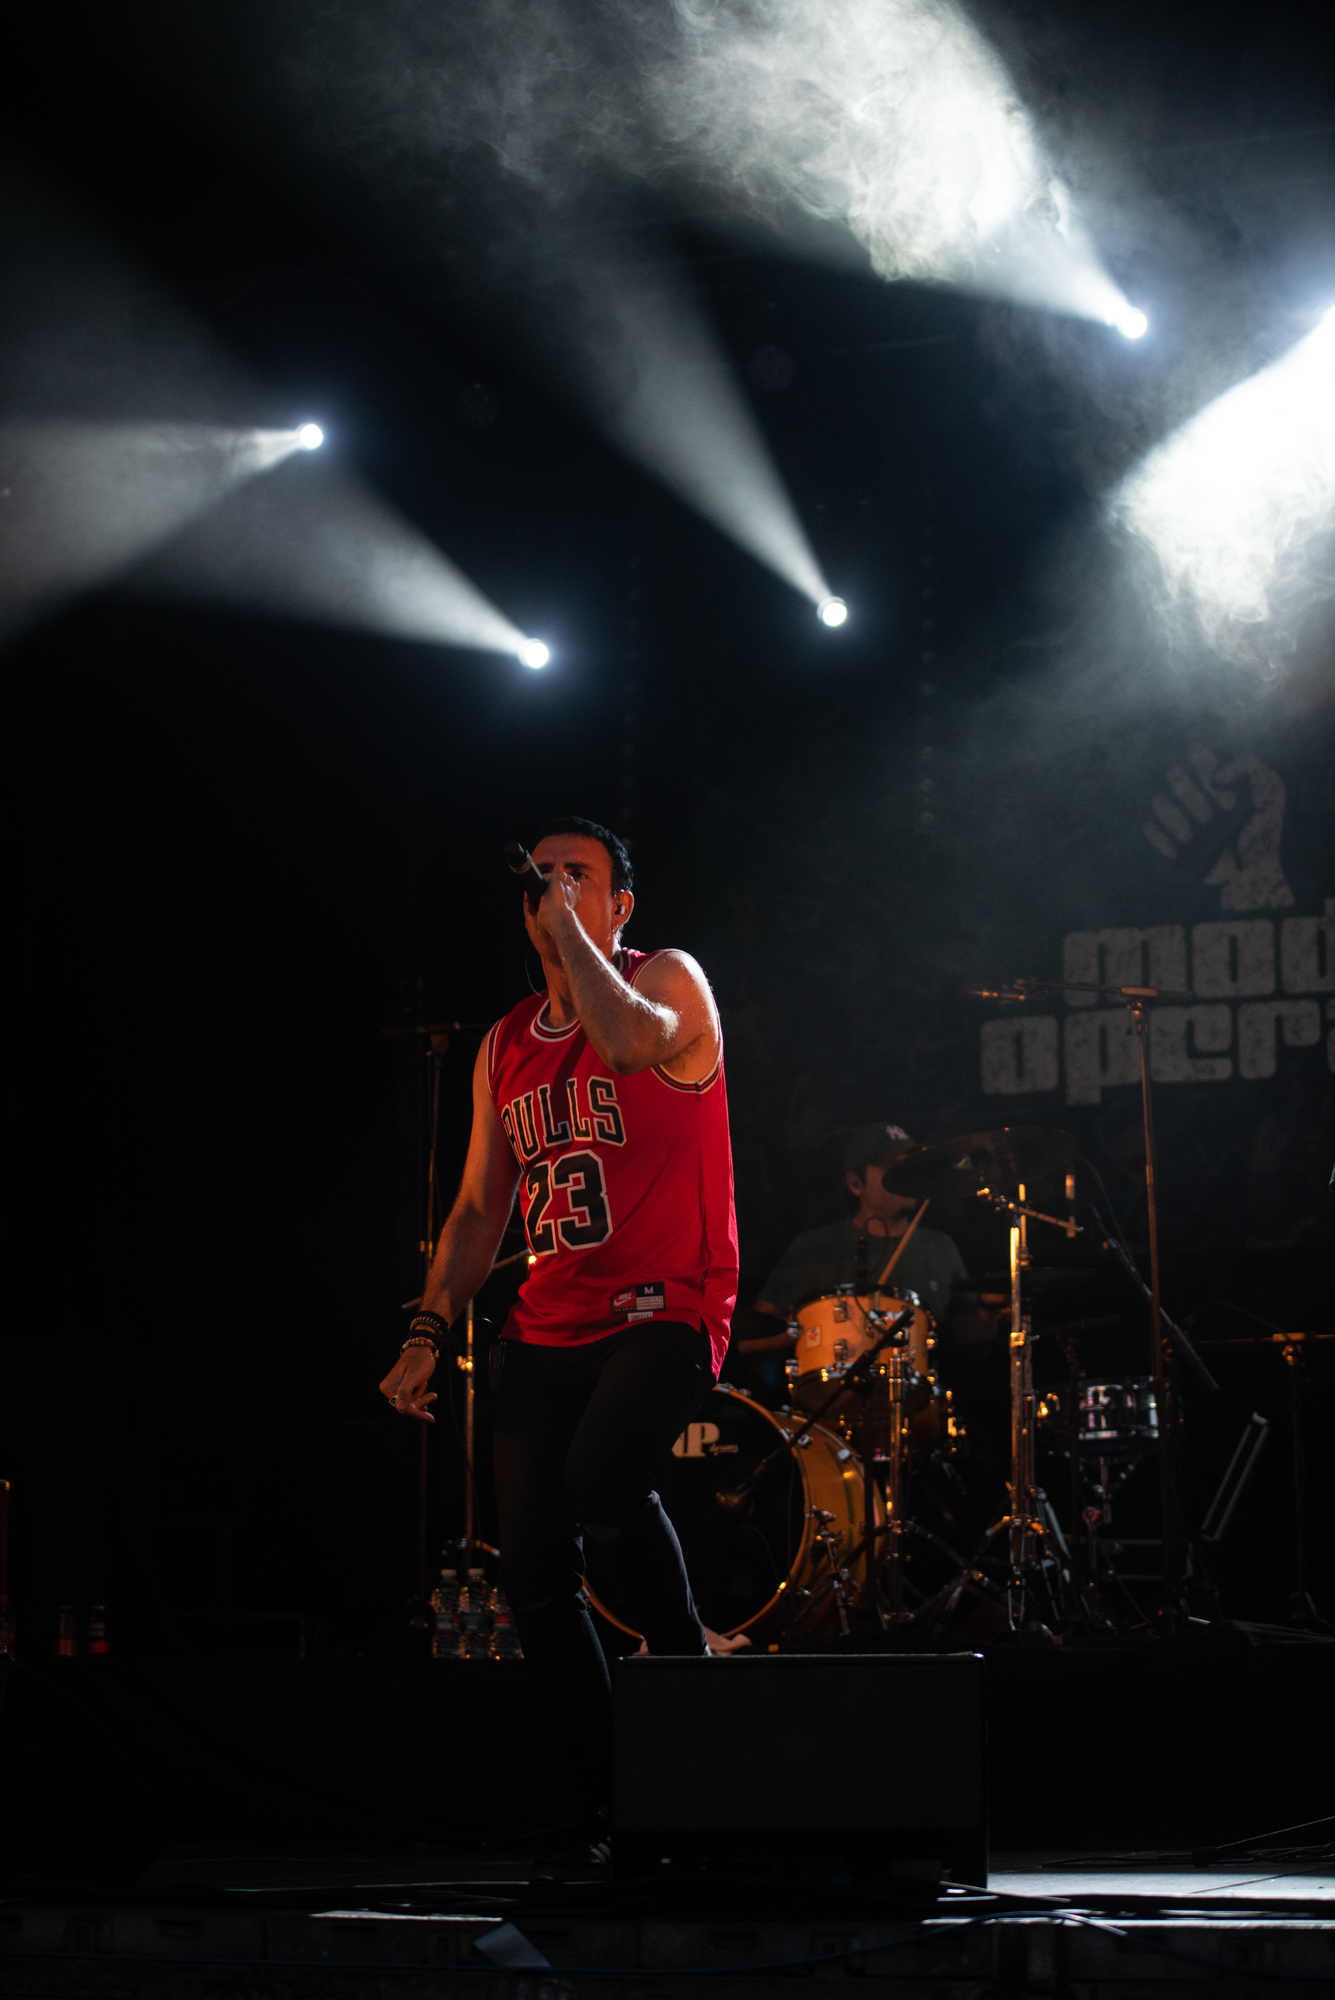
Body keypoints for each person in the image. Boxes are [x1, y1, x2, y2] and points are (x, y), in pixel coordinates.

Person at [378, 816, 738, 1852]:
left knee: (603, 1477)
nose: (555, 888)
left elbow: (624, 1043)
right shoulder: (504, 1044)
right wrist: (427, 1327)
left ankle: (689, 1679)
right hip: (549, 1321)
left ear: (620, 904)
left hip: (668, 1303)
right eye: (542, 878)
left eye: (578, 875)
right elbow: (477, 1210)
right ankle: (609, 1806)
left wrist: (572, 930)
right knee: (530, 1573)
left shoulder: (669, 979)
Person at [731, 1122, 1000, 1392]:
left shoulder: (940, 1247)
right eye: (892, 1167)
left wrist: (988, 1311)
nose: (907, 1174)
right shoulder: (814, 1246)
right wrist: (806, 1331)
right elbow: (756, 1330)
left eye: (910, 1165)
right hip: (828, 1402)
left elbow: (968, 1342)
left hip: (918, 1404)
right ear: (855, 1183)